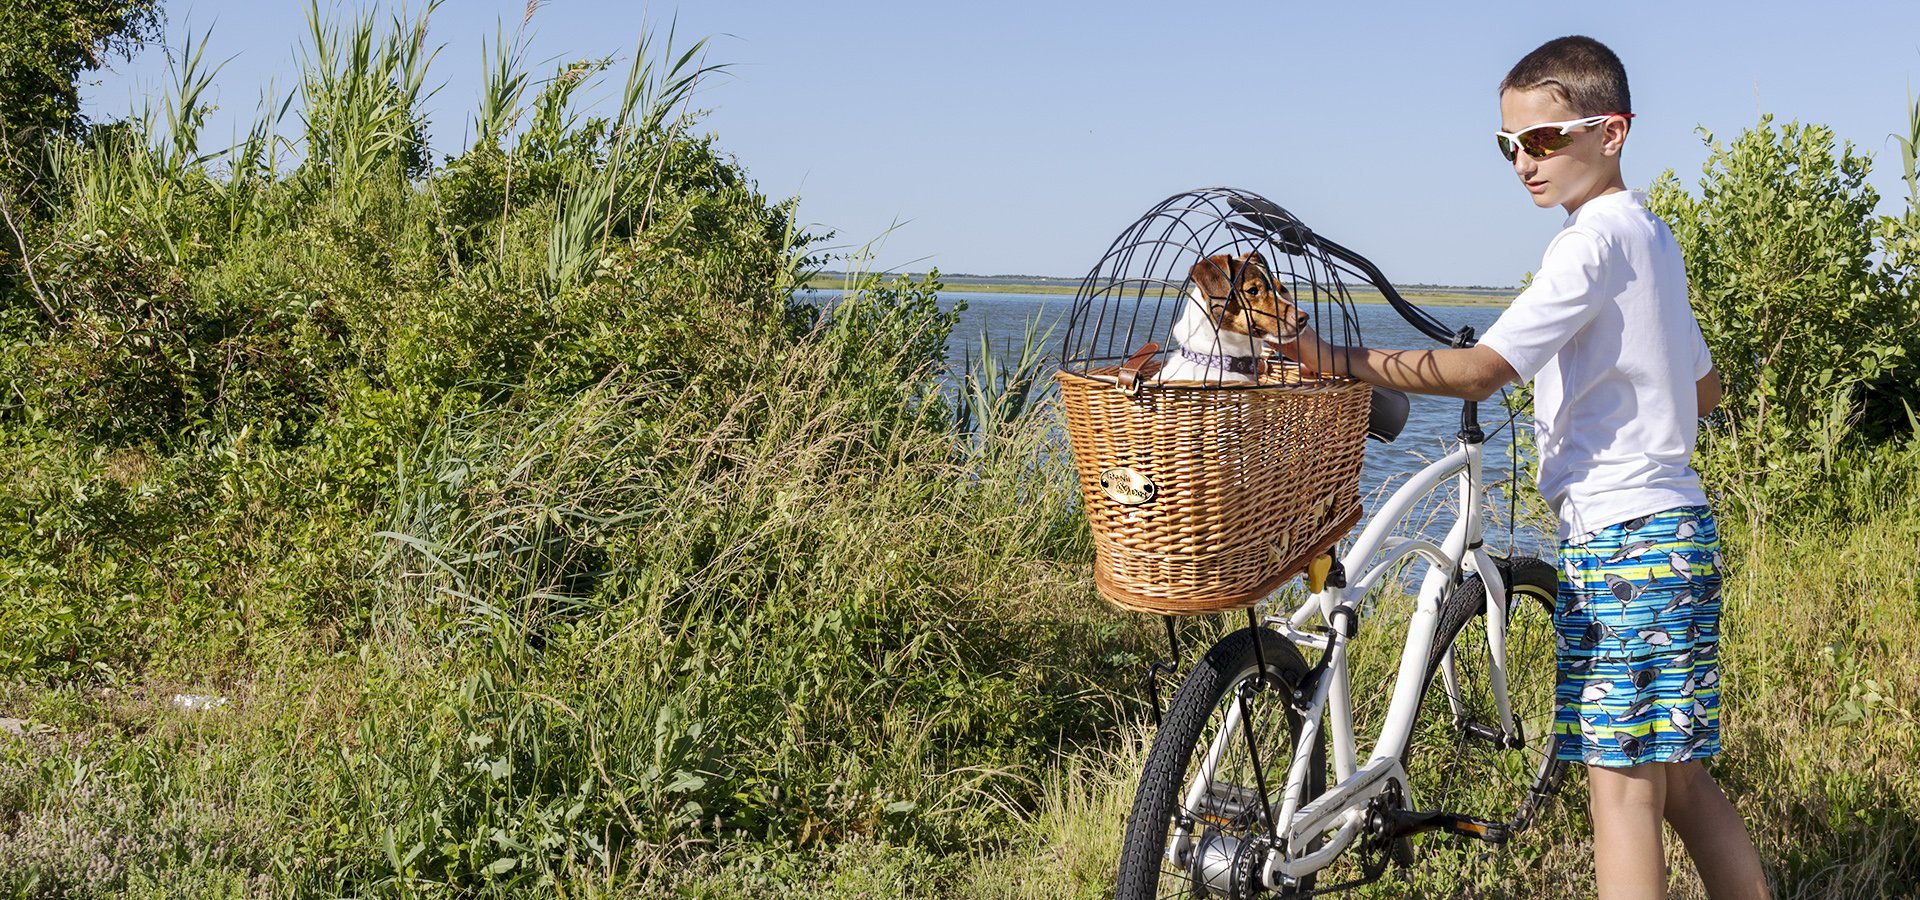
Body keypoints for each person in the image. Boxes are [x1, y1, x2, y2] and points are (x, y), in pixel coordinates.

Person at [1283, 35, 1770, 900]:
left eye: (1544, 140)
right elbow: (1705, 388)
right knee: (1683, 783)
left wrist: (1333, 356)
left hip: (1621, 545)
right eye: (1507, 145)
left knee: (1620, 800)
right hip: (1678, 533)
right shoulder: (1651, 237)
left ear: (1611, 132)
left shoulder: (1586, 246)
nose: (1522, 163)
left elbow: (1480, 371)